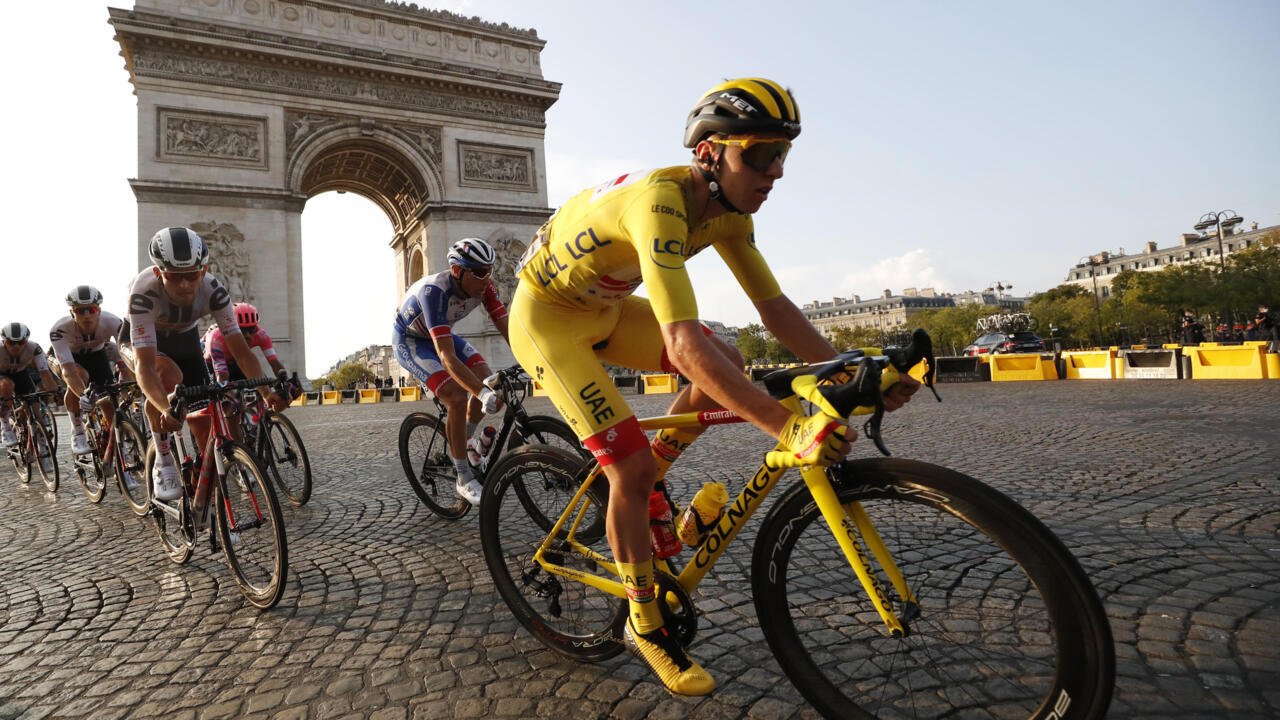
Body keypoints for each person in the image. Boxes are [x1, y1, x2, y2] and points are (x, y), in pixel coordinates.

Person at [506, 78, 919, 696]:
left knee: (723, 359)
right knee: (630, 466)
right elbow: (679, 345)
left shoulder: (728, 215)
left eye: (783, 155)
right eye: (760, 155)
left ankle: (655, 491)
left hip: (606, 307)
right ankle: (643, 623)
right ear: (709, 153)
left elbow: (775, 312)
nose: (775, 171)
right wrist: (788, 427)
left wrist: (845, 369)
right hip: (546, 322)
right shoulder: (660, 203)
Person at [127, 227, 287, 501]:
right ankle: (163, 461)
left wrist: (266, 393)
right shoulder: (142, 293)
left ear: (204, 270)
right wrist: (166, 409)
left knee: (204, 424)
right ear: (158, 273)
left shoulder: (215, 290)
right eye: (175, 277)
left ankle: (205, 502)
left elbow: (242, 351)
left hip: (185, 339)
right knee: (168, 376)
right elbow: (145, 367)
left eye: (192, 275)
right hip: (148, 340)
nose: (186, 284)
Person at [392, 237, 511, 505]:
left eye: (490, 270)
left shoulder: (485, 287)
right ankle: (463, 478)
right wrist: (480, 393)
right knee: (457, 397)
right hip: (412, 342)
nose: (487, 279)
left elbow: (508, 329)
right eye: (480, 272)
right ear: (457, 271)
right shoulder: (434, 292)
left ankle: (464, 440)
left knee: (493, 380)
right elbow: (445, 355)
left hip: (442, 335)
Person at [49, 286, 134, 457]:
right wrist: (82, 395)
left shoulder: (113, 322)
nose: (87, 315)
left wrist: (134, 380)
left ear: (99, 310)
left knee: (110, 403)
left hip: (97, 356)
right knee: (80, 376)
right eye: (80, 311)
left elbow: (127, 353)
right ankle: (78, 430)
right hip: (69, 360)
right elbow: (69, 371)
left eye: (92, 309)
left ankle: (118, 452)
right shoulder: (59, 329)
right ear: (72, 312)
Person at [0, 323, 59, 472]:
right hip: (2, 377)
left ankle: (43, 451)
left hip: (21, 375)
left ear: (26, 341)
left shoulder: (34, 347)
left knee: (35, 412)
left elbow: (44, 372)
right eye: (11, 342)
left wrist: (54, 391)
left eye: (21, 342)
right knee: (7, 385)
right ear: (4, 341)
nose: (16, 346)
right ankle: (5, 425)